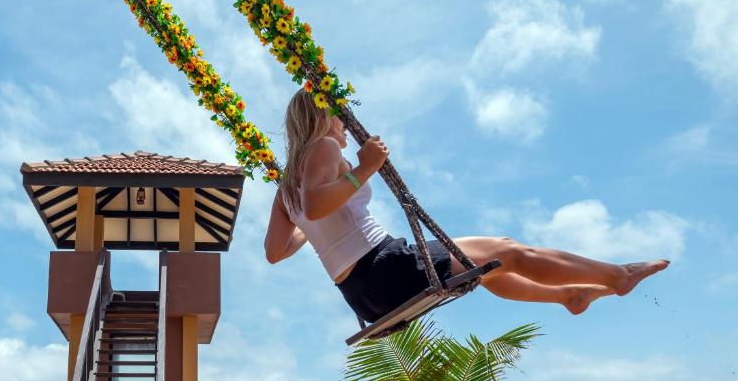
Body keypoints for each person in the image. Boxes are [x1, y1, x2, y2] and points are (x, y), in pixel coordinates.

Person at [263, 91, 670, 324]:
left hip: (361, 295)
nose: (344, 122)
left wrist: (308, 226)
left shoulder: (285, 188)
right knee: (507, 249)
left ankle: (568, 295)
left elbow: (276, 251)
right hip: (385, 267)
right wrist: (366, 168)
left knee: (488, 272)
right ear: (320, 114)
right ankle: (617, 275)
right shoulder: (325, 145)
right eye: (337, 112)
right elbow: (317, 206)